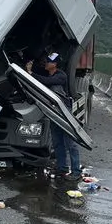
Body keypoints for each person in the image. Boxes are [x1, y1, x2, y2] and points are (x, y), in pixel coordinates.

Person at [26, 53, 82, 181]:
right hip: (53, 111)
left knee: (70, 142)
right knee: (57, 142)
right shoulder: (47, 74)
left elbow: (47, 82)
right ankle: (62, 168)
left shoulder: (61, 76)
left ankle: (76, 172)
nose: (46, 63)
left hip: (64, 112)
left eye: (49, 62)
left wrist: (30, 73)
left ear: (55, 64)